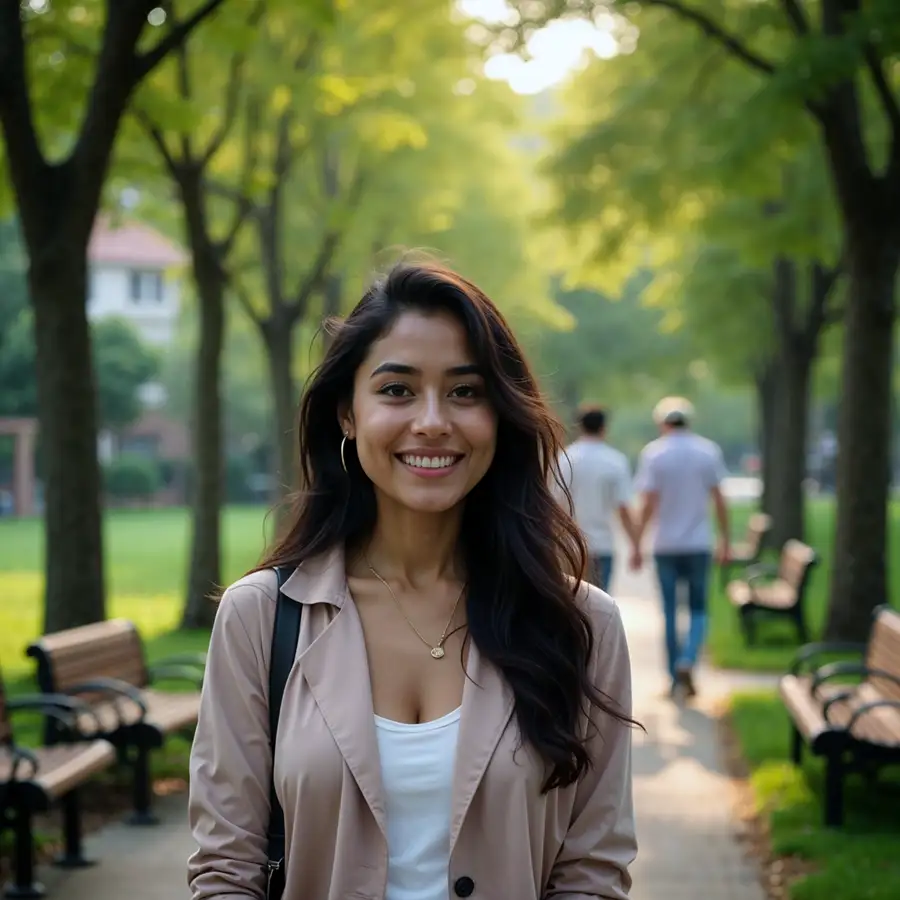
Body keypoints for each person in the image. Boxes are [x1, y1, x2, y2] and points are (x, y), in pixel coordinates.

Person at [187, 262, 637, 900]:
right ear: (347, 413)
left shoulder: (580, 623)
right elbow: (225, 867)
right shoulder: (262, 617)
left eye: (465, 392)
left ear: (500, 415)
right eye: (397, 390)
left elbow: (593, 868)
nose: (432, 421)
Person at [632, 397, 730, 698]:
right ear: (689, 421)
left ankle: (674, 677)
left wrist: (637, 542)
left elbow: (648, 503)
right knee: (699, 609)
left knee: (670, 612)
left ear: (663, 423)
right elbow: (719, 499)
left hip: (665, 546)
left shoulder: (654, 454)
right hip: (698, 543)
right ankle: (689, 659)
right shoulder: (707, 451)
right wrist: (725, 539)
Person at [556, 406, 636, 593]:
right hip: (603, 544)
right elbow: (623, 508)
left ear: (579, 427)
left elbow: (555, 503)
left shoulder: (566, 458)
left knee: (571, 601)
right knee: (601, 604)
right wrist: (635, 544)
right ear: (604, 428)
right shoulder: (615, 460)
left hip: (571, 546)